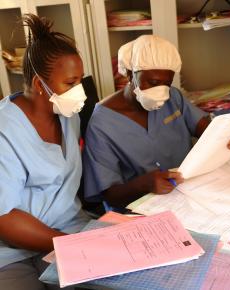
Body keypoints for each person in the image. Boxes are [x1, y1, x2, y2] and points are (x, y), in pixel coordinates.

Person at [83, 35, 230, 209]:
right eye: (153, 82)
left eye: (167, 83)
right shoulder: (102, 124)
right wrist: (144, 184)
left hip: (190, 193)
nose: (162, 92)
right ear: (130, 74)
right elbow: (110, 196)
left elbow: (210, 132)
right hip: (140, 207)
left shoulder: (173, 97)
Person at [0, 14, 90, 290]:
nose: (80, 93)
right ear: (41, 86)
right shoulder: (5, 131)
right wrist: (67, 244)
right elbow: (3, 218)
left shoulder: (66, 115)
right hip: (12, 251)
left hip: (69, 229)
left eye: (80, 81)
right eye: (70, 83)